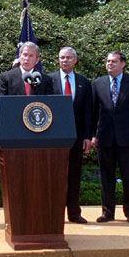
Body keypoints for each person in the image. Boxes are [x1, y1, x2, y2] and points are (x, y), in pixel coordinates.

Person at [92, 51, 129, 224]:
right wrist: (92, 135)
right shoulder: (98, 83)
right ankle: (107, 212)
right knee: (106, 177)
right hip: (105, 137)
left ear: (123, 63)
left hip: (128, 137)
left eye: (114, 61)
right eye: (108, 61)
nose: (110, 64)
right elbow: (93, 112)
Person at [50, 46, 93, 224]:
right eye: (61, 58)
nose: (64, 61)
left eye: (68, 58)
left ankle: (74, 213)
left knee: (74, 175)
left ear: (75, 60)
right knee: (54, 176)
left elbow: (88, 112)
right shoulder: (48, 80)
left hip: (76, 136)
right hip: (53, 137)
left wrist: (87, 137)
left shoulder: (84, 82)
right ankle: (54, 213)